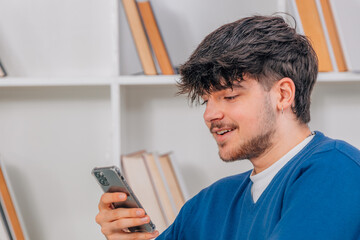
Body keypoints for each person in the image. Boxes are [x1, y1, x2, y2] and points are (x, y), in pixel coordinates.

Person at [95, 15, 360, 240]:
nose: (210, 114)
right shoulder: (209, 204)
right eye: (205, 101)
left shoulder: (337, 170)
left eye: (229, 96)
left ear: (283, 95)